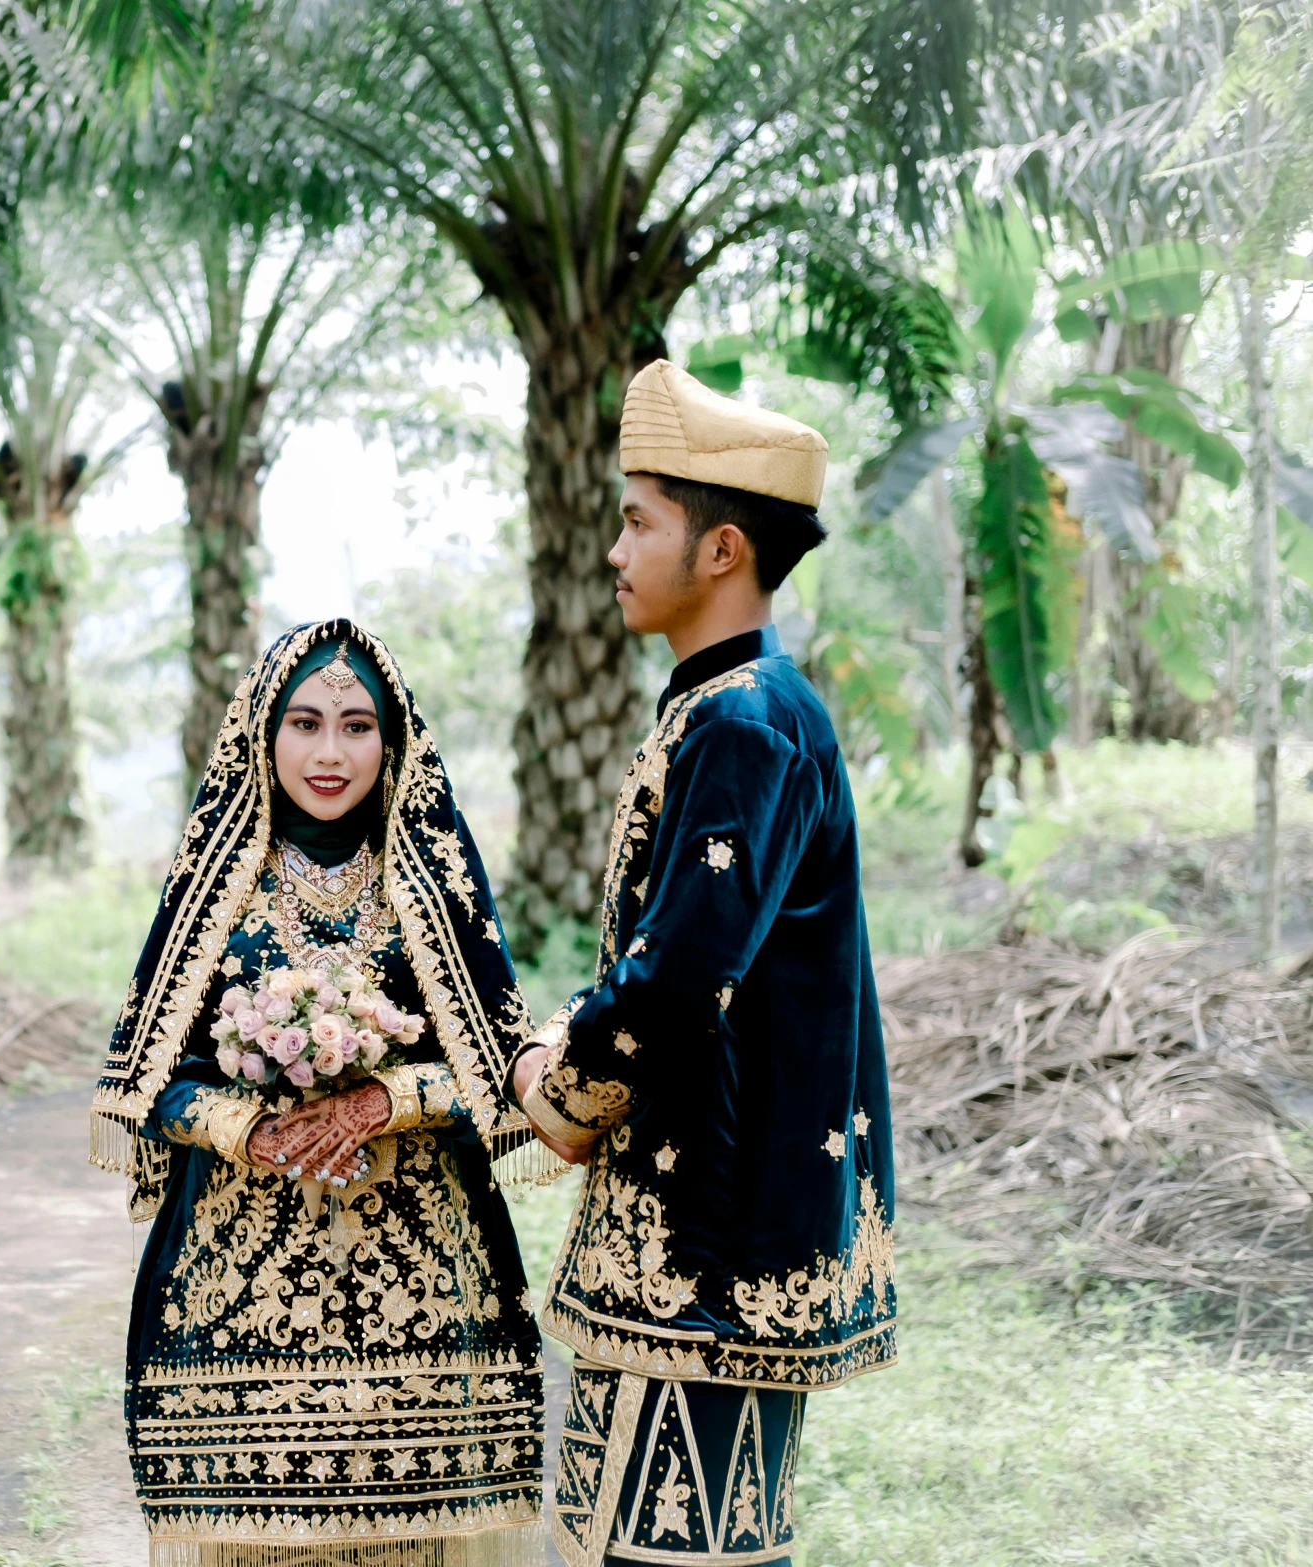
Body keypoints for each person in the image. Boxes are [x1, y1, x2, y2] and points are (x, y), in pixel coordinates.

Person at [508, 361, 897, 1567]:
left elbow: (679, 979)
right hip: (693, 1233)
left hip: (706, 1250)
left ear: (721, 548)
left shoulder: (742, 720)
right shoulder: (734, 705)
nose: (615, 550)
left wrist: (550, 1088)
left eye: (639, 521)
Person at [90, 620, 556, 1567]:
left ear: (393, 743)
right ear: (263, 736)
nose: (330, 752)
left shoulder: (433, 880)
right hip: (236, 1311)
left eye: (356, 725)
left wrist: (385, 1099)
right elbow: (152, 1084)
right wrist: (250, 1128)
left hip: (425, 1310)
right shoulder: (216, 884)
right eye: (304, 723)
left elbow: (496, 1074)